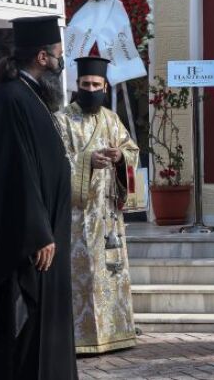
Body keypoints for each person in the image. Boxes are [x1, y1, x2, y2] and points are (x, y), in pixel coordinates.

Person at [0, 15, 78, 380]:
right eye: (58, 54)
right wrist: (38, 232)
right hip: (30, 240)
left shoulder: (29, 95)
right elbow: (15, 171)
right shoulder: (13, 98)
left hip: (46, 231)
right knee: (25, 326)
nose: (62, 61)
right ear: (42, 57)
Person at [56, 56, 140, 354]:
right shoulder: (62, 120)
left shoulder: (111, 118)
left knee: (111, 272)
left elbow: (132, 150)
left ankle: (116, 332)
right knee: (84, 275)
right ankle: (81, 337)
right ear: (77, 86)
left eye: (96, 85)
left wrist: (120, 158)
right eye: (85, 84)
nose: (90, 89)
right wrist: (87, 161)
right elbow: (56, 165)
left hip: (108, 214)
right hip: (78, 216)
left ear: (104, 86)